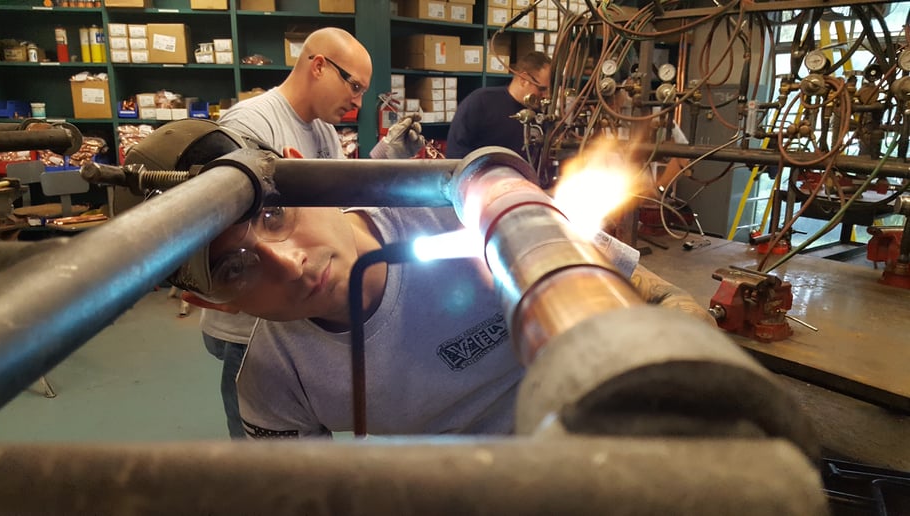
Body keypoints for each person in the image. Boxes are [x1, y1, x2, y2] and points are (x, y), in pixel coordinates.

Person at [171, 199, 715, 438]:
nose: (289, 262)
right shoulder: (274, 379)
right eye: (236, 270)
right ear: (211, 304)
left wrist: (691, 387)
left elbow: (666, 303)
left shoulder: (467, 216)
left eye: (274, 216)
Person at [198, 27, 425, 439]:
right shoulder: (250, 125)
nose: (357, 100)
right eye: (354, 85)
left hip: (299, 307)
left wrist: (384, 158)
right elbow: (235, 237)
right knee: (269, 459)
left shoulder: (319, 129)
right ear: (318, 66)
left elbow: (336, 203)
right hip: (251, 331)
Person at [446, 51, 552, 161]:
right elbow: (456, 155)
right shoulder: (481, 102)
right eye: (542, 89)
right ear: (523, 80)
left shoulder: (543, 114)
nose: (547, 95)